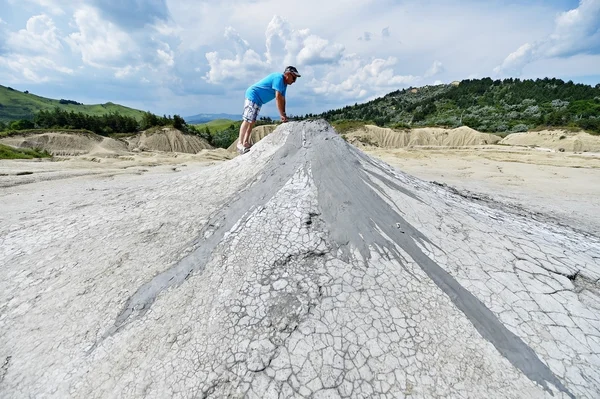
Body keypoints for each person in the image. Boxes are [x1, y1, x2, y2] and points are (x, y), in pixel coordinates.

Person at [236, 66, 301, 154]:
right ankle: (239, 144)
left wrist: (284, 114)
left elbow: (283, 99)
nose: (294, 81)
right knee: (247, 119)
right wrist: (281, 115)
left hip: (259, 100)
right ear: (288, 74)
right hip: (253, 95)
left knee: (252, 121)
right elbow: (278, 97)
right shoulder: (278, 78)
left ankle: (246, 142)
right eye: (294, 78)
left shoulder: (284, 85)